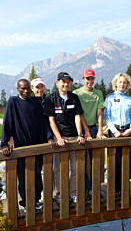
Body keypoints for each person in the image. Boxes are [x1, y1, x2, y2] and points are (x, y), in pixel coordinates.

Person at [1, 79, 53, 210]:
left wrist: (49, 137)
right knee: (23, 176)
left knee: (37, 174)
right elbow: (7, 123)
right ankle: (25, 202)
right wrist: (4, 144)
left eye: (27, 88)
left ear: (30, 88)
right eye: (22, 88)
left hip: (38, 145)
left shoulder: (36, 102)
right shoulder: (13, 102)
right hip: (21, 147)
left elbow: (44, 122)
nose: (25, 91)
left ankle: (35, 200)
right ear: (18, 88)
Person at [43, 72, 85, 203]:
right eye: (63, 82)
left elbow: (78, 116)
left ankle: (73, 193)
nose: (66, 84)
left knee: (76, 168)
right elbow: (51, 121)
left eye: (68, 82)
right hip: (60, 139)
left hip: (74, 138)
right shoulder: (51, 99)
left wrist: (80, 134)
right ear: (57, 83)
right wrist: (59, 138)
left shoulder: (74, 97)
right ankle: (62, 194)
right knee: (60, 169)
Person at [73, 69, 106, 190]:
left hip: (93, 128)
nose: (89, 81)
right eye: (87, 78)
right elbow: (78, 113)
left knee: (95, 161)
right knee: (81, 161)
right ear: (83, 79)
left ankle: (94, 188)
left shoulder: (98, 93)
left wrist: (100, 130)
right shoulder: (76, 93)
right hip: (80, 129)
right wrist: (85, 131)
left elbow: (100, 113)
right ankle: (84, 188)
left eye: (91, 78)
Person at [104, 73, 131, 194]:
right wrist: (115, 131)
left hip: (127, 131)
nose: (122, 84)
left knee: (126, 160)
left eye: (124, 82)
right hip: (115, 132)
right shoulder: (110, 98)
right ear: (115, 83)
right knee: (115, 161)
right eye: (120, 82)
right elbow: (106, 117)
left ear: (127, 85)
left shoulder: (129, 99)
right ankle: (114, 189)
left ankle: (124, 187)